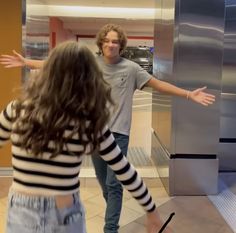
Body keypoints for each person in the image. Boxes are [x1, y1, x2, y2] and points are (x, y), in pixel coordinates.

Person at [0, 24, 215, 233]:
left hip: (22, 210)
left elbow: (157, 84)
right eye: (107, 40)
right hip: (65, 212)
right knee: (109, 183)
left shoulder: (16, 110)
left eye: (115, 41)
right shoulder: (90, 123)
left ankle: (110, 227)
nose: (111, 44)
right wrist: (152, 211)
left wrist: (188, 94)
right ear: (88, 77)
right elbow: (127, 172)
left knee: (113, 185)